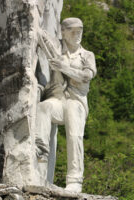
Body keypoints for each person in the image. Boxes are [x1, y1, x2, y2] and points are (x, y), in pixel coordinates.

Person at [35, 17, 96, 193]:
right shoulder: (58, 47)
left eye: (80, 31)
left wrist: (64, 67)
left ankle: (75, 180)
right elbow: (43, 37)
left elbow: (86, 76)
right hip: (58, 100)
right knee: (43, 108)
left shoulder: (87, 55)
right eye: (73, 32)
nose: (77, 35)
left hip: (76, 102)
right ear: (63, 32)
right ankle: (41, 169)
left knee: (74, 134)